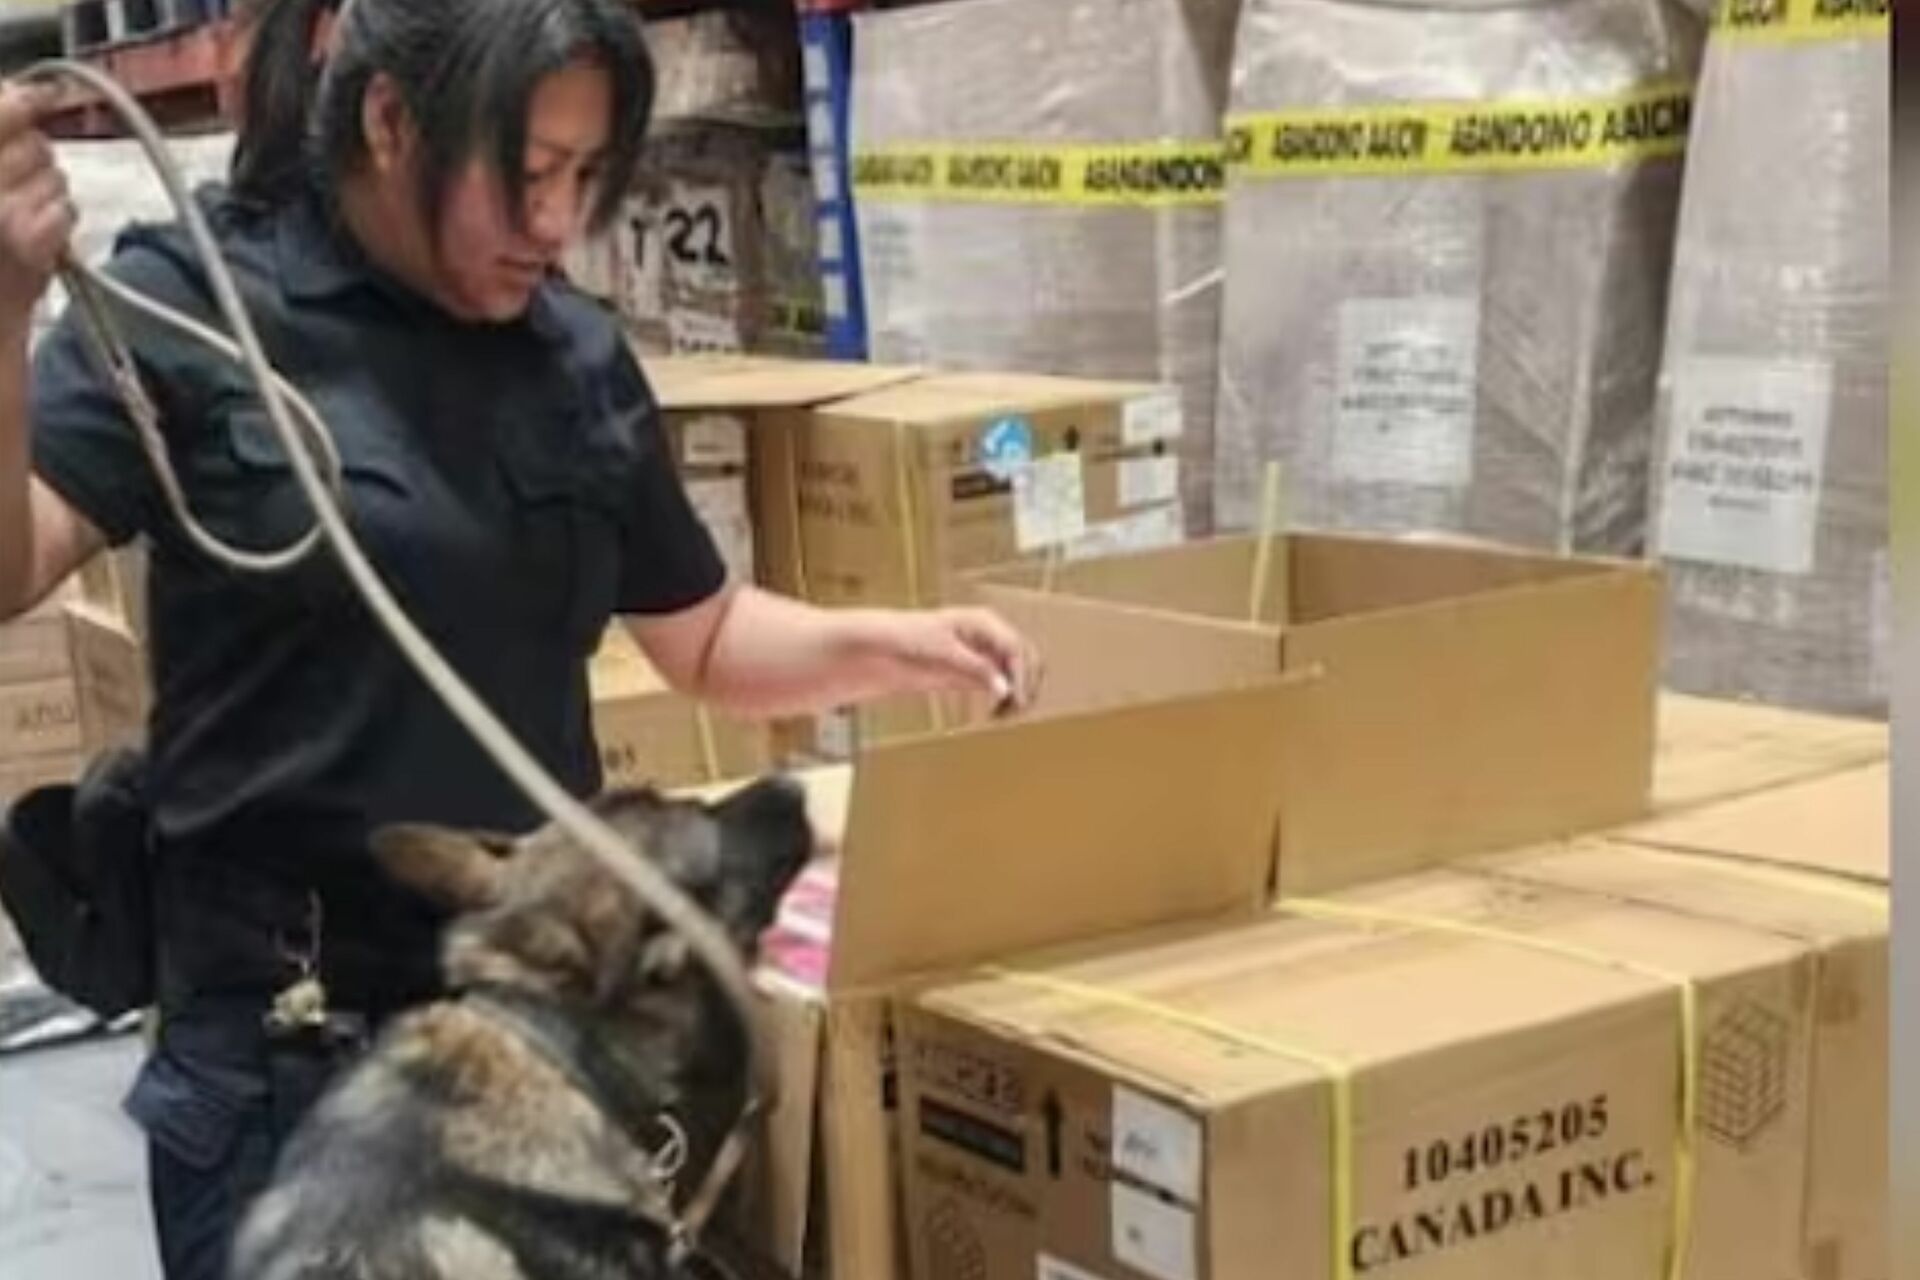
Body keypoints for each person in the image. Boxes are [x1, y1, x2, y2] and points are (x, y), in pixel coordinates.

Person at [0, 0, 1039, 1275]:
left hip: (535, 1047)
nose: (557, 221)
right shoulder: (196, 310)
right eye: (528, 170)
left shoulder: (574, 357)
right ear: (391, 121)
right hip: (289, 1058)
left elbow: (705, 634)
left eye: (586, 175)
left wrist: (905, 642)